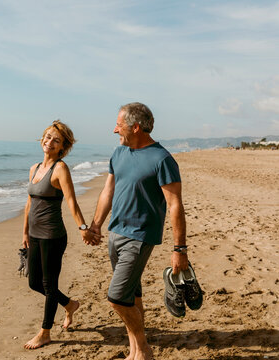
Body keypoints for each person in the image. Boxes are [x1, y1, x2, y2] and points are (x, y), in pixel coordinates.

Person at [88, 103, 189, 360]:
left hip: (140, 236)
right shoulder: (119, 153)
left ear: (135, 127)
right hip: (115, 233)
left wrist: (180, 249)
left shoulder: (162, 159)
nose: (114, 129)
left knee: (117, 298)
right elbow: (108, 191)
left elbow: (175, 204)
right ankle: (134, 351)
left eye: (118, 125)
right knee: (132, 294)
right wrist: (96, 224)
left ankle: (143, 350)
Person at [22, 120, 99, 350]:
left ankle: (45, 332)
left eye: (56, 140)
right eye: (47, 137)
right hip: (35, 235)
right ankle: (69, 304)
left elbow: (72, 202)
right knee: (34, 282)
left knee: (48, 284)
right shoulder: (34, 168)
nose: (49, 142)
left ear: (62, 146)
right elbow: (29, 203)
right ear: (42, 139)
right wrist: (24, 232)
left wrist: (83, 228)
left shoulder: (60, 169)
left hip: (53, 236)